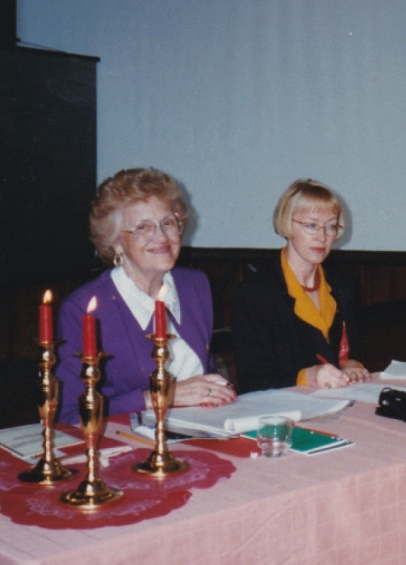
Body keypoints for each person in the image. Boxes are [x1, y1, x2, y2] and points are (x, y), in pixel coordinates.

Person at [57, 168, 236, 424]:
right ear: (115, 242)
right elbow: (69, 415)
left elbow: (203, 373)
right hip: (128, 444)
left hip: (205, 429)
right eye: (143, 227)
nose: (161, 237)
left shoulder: (195, 285)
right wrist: (159, 397)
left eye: (168, 222)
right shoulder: (83, 308)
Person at [232, 178, 370, 392]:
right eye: (311, 225)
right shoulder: (255, 293)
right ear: (287, 224)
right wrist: (307, 376)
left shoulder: (344, 286)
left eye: (331, 227)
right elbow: (254, 382)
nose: (322, 237)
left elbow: (351, 353)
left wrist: (352, 364)